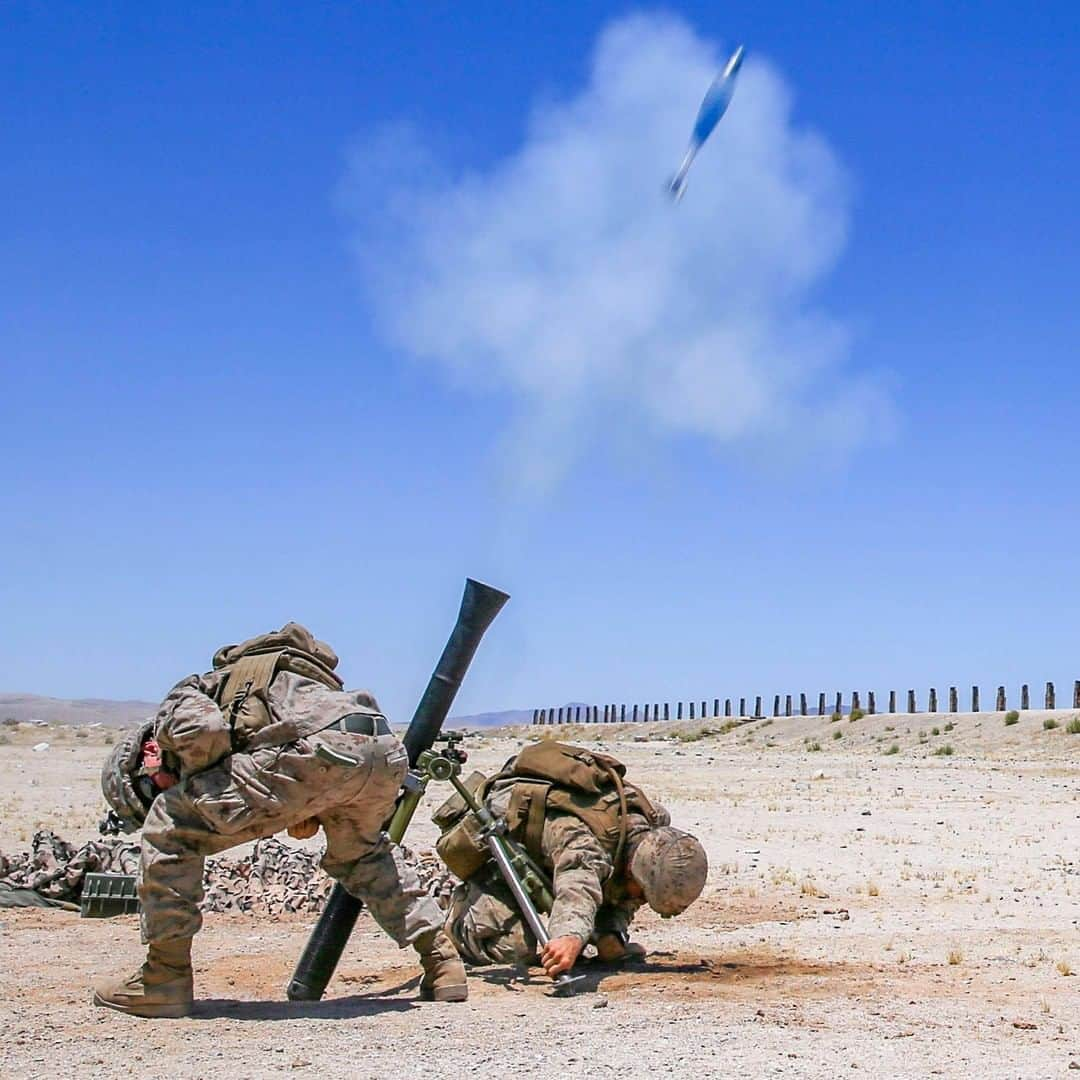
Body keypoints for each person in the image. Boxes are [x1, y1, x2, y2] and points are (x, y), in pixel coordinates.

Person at [94, 622, 466, 1017]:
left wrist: (205, 788)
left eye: (150, 787)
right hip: (381, 747)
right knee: (363, 854)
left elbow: (203, 731)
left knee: (169, 828)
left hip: (319, 751)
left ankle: (163, 977)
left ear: (148, 752)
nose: (160, 789)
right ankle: (442, 962)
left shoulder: (194, 691)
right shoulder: (291, 682)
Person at [441, 741, 707, 979]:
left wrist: (610, 934)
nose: (642, 902)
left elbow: (620, 895)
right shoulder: (583, 844)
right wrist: (570, 937)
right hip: (501, 855)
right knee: (514, 947)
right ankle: (453, 917)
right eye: (645, 894)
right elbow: (578, 888)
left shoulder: (648, 834)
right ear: (633, 871)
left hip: (552, 859)